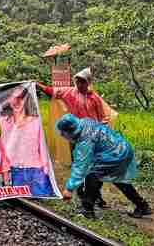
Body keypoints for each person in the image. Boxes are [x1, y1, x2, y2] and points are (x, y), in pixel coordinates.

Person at [56, 114, 152, 219]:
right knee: (119, 179)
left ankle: (87, 210)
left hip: (114, 154)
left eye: (63, 133)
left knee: (92, 175)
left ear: (69, 132)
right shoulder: (85, 122)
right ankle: (142, 206)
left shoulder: (85, 141)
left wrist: (69, 188)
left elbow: (81, 166)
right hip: (122, 148)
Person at [37, 67, 109, 206]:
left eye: (83, 82)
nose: (80, 84)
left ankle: (94, 195)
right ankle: (83, 193)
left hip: (92, 136)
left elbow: (103, 117)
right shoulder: (69, 92)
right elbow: (52, 91)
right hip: (76, 135)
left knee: (93, 167)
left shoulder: (95, 98)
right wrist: (37, 85)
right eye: (78, 81)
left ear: (88, 82)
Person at [0, 84, 54, 196]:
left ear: (27, 99)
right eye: (14, 97)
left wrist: (46, 170)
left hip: (36, 170)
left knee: (43, 198)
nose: (18, 102)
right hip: (14, 171)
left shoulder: (36, 122)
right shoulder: (2, 122)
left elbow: (42, 147)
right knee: (19, 200)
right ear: (8, 99)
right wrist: (5, 173)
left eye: (21, 98)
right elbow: (1, 149)